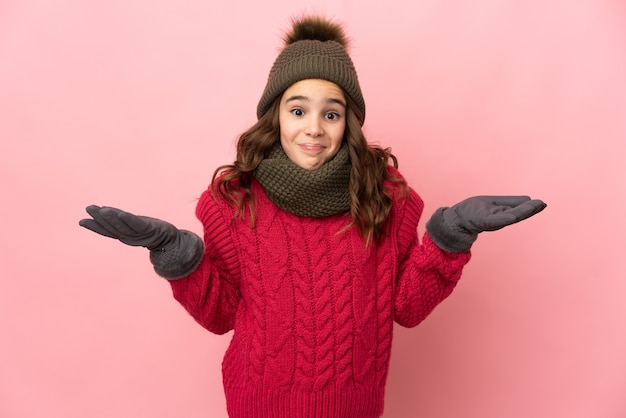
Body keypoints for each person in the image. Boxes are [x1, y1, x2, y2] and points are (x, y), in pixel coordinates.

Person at [79, 15, 546, 418]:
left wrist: (450, 237)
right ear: (275, 115)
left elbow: (405, 308)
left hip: (355, 407)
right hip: (257, 404)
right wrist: (177, 256)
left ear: (350, 123)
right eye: (298, 110)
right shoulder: (233, 200)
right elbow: (222, 315)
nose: (313, 129)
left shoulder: (388, 198)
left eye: (332, 114)